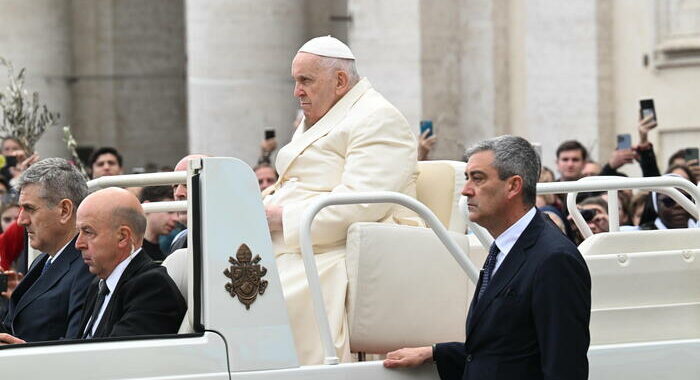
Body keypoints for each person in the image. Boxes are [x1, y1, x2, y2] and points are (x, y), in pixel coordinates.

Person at [262, 36, 421, 364]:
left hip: (347, 240)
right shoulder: (324, 115)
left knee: (269, 295)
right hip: (300, 236)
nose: (297, 91)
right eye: (296, 81)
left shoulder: (378, 118)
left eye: (305, 80)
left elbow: (361, 203)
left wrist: (281, 218)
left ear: (339, 81)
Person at [383, 135, 591, 380]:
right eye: (467, 178)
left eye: (478, 179)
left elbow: (564, 369)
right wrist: (436, 353)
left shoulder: (554, 260)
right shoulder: (503, 248)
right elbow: (504, 351)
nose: (465, 190)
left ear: (513, 186)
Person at [0, 158, 93, 344]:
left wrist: (25, 353)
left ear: (64, 210)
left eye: (30, 209)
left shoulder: (88, 265)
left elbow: (76, 349)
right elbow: (12, 328)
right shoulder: (42, 261)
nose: (21, 220)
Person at [75, 187, 186, 338]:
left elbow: (118, 358)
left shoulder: (152, 288)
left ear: (123, 237)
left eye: (88, 232)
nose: (78, 244)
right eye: (79, 232)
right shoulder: (99, 284)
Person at [140, 186, 179, 261]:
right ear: (147, 206)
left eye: (177, 213)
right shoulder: (129, 253)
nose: (176, 218)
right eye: (170, 212)